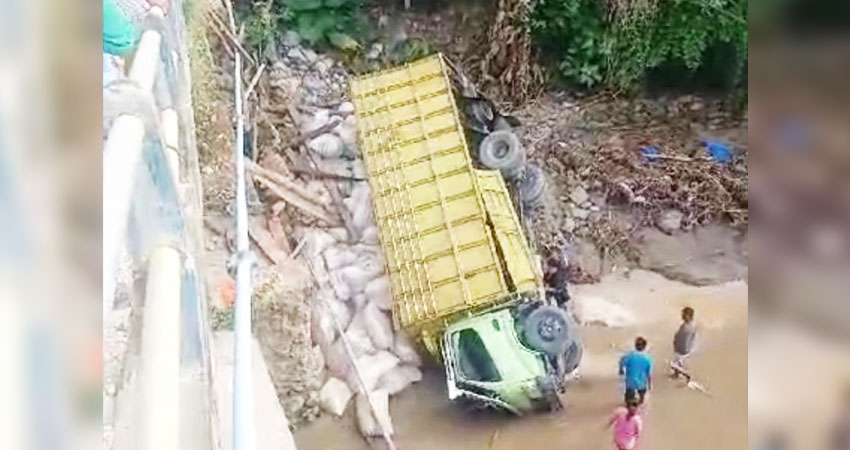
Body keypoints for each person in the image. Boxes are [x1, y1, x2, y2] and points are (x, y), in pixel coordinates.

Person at [619, 337, 653, 404]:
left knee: (629, 402)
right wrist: (649, 385)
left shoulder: (629, 356)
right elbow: (648, 374)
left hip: (630, 384)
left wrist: (621, 370)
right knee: (641, 401)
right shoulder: (648, 359)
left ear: (635, 346)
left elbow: (621, 362)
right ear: (644, 347)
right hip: (642, 385)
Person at [671, 307, 697, 382]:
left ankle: (687, 376)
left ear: (688, 316)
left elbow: (684, 339)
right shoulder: (688, 326)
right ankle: (677, 374)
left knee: (674, 364)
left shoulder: (687, 327)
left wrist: (679, 347)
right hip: (683, 349)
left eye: (683, 315)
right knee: (678, 364)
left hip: (681, 350)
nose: (681, 316)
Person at [543, 243, 570, 309]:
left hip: (560, 293)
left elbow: (559, 288)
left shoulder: (559, 273)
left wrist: (548, 289)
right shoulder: (549, 268)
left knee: (562, 306)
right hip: (553, 291)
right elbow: (545, 279)